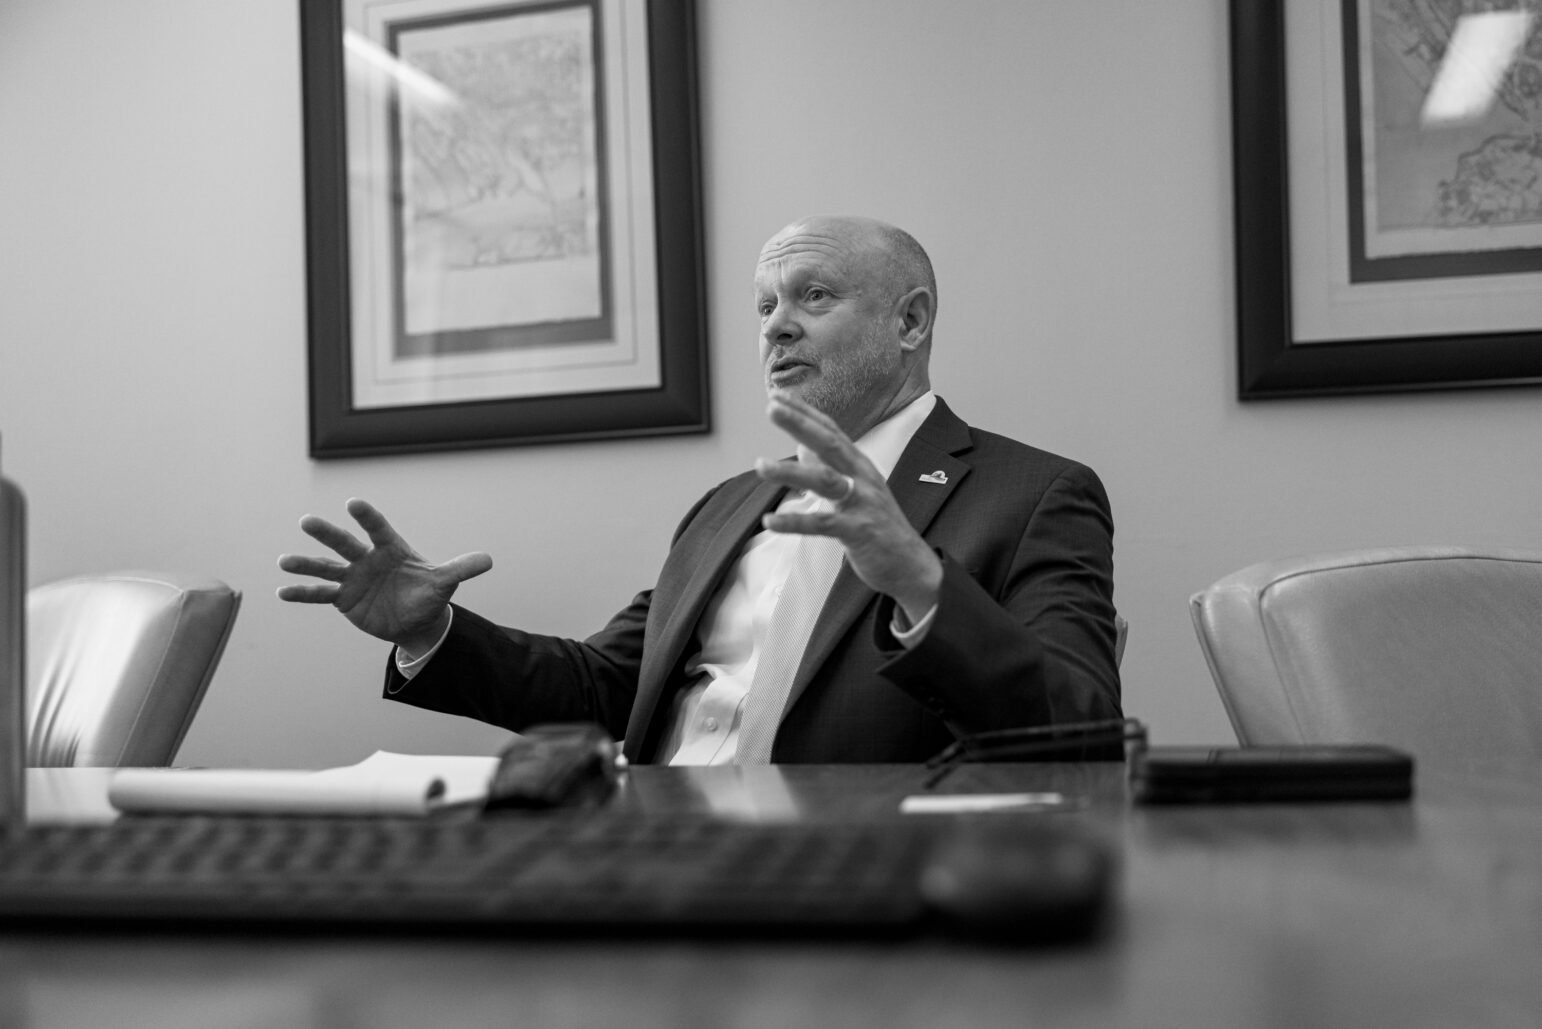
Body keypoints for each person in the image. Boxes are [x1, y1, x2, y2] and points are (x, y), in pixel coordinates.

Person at [278, 215, 1121, 764]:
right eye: (763, 306)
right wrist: (438, 631)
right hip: (650, 849)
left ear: (909, 322)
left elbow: (1080, 730)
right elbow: (606, 686)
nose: (775, 325)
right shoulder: (729, 507)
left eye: (812, 295)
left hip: (857, 878)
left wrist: (918, 581)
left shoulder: (1035, 493)